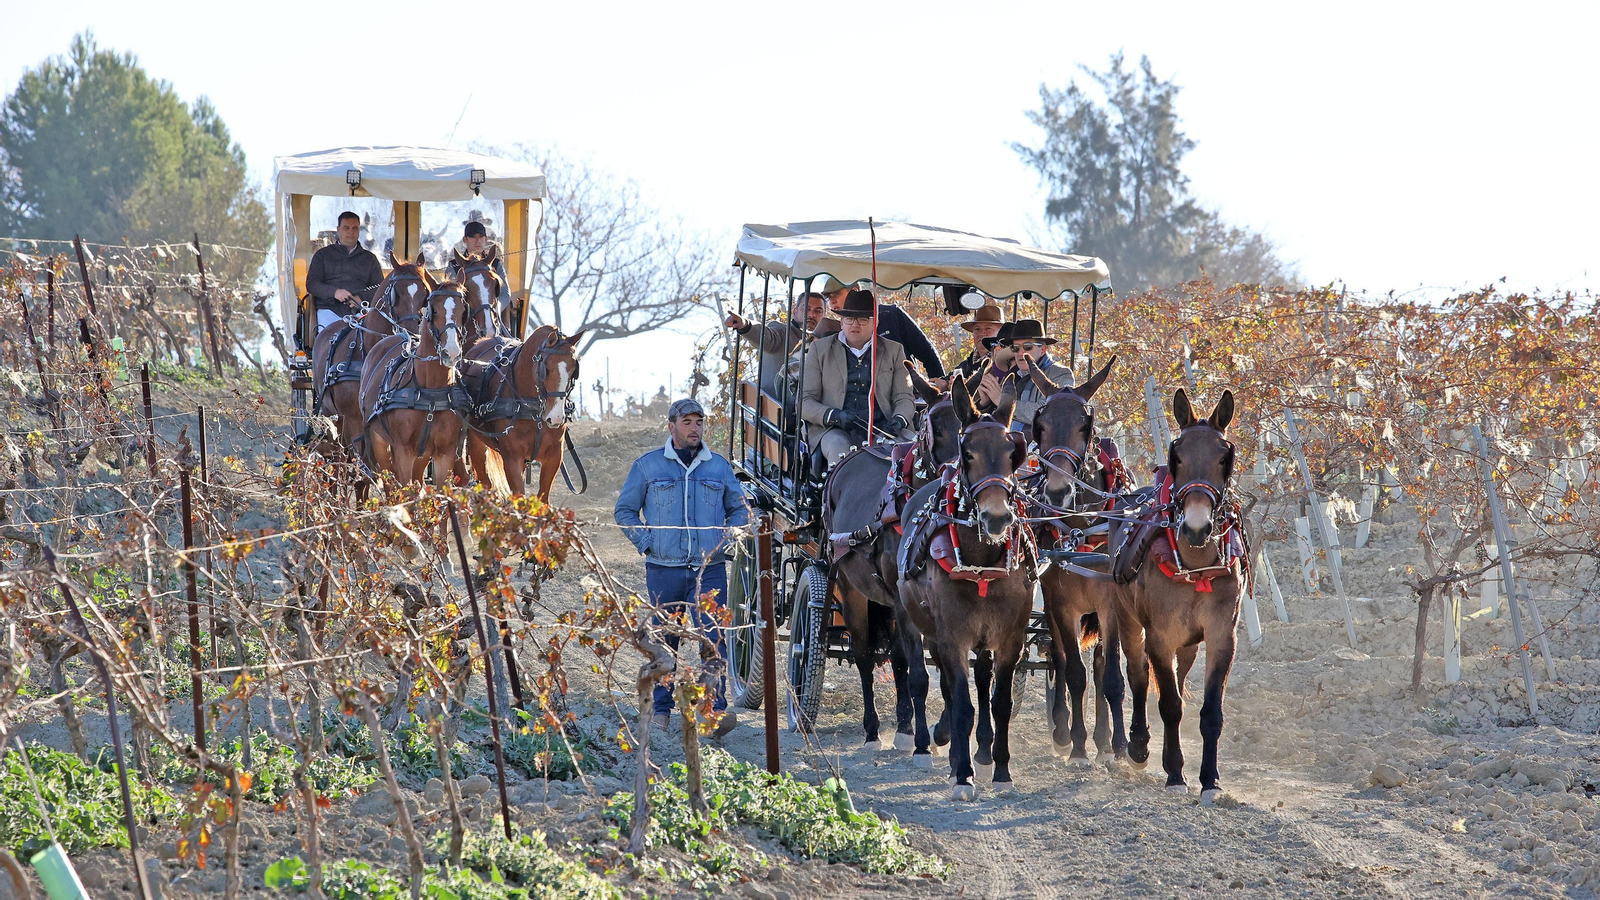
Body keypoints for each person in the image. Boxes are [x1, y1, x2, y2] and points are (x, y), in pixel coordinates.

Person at [613, 398, 750, 734]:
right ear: (671, 425)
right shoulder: (648, 467)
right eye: (687, 422)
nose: (695, 428)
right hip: (664, 570)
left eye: (699, 422)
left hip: (710, 569)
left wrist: (730, 534)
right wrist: (647, 543)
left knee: (713, 640)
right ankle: (661, 712)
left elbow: (740, 509)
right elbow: (624, 511)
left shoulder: (718, 467)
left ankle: (714, 713)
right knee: (664, 644)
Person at [801, 289, 916, 466]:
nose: (855, 324)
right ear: (841, 322)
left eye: (863, 319)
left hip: (884, 429)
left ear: (874, 323)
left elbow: (904, 397)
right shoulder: (820, 350)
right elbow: (804, 401)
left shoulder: (894, 351)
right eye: (849, 319)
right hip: (834, 429)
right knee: (842, 453)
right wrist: (834, 415)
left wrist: (899, 420)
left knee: (914, 453)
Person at [824, 285, 945, 378]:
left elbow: (927, 354)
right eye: (829, 297)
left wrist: (938, 395)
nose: (833, 300)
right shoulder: (832, 333)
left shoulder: (890, 315)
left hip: (905, 395)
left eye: (837, 294)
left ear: (854, 291)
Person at [723, 292, 828, 396]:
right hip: (777, 407)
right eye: (806, 309)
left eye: (818, 311)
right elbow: (766, 337)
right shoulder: (782, 331)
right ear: (795, 311)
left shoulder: (825, 343)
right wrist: (745, 325)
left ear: (824, 316)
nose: (811, 314)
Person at [306, 211, 384, 334]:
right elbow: (312, 284)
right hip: (328, 311)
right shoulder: (322, 255)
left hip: (360, 312)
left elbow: (380, 288)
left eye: (354, 228)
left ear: (359, 231)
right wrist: (335, 293)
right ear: (338, 230)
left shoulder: (370, 259)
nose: (350, 232)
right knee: (327, 345)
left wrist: (360, 299)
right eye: (346, 228)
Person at [996, 319, 1068, 433]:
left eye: (1027, 346)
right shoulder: (1012, 376)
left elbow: (1049, 414)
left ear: (1043, 349)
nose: (1020, 353)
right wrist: (984, 402)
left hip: (1043, 449)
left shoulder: (1061, 374)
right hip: (1012, 446)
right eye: (1015, 347)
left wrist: (1004, 403)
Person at [448, 220, 514, 317]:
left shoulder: (496, 264)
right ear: (465, 240)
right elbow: (450, 295)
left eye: (481, 237)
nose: (477, 241)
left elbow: (505, 293)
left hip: (492, 315)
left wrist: (493, 310)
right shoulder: (454, 266)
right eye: (473, 237)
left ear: (486, 239)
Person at [953, 303, 1005, 379]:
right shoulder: (968, 363)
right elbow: (951, 376)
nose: (981, 333)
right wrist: (945, 383)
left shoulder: (1004, 362)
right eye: (977, 329)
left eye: (988, 328)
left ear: (1000, 332)